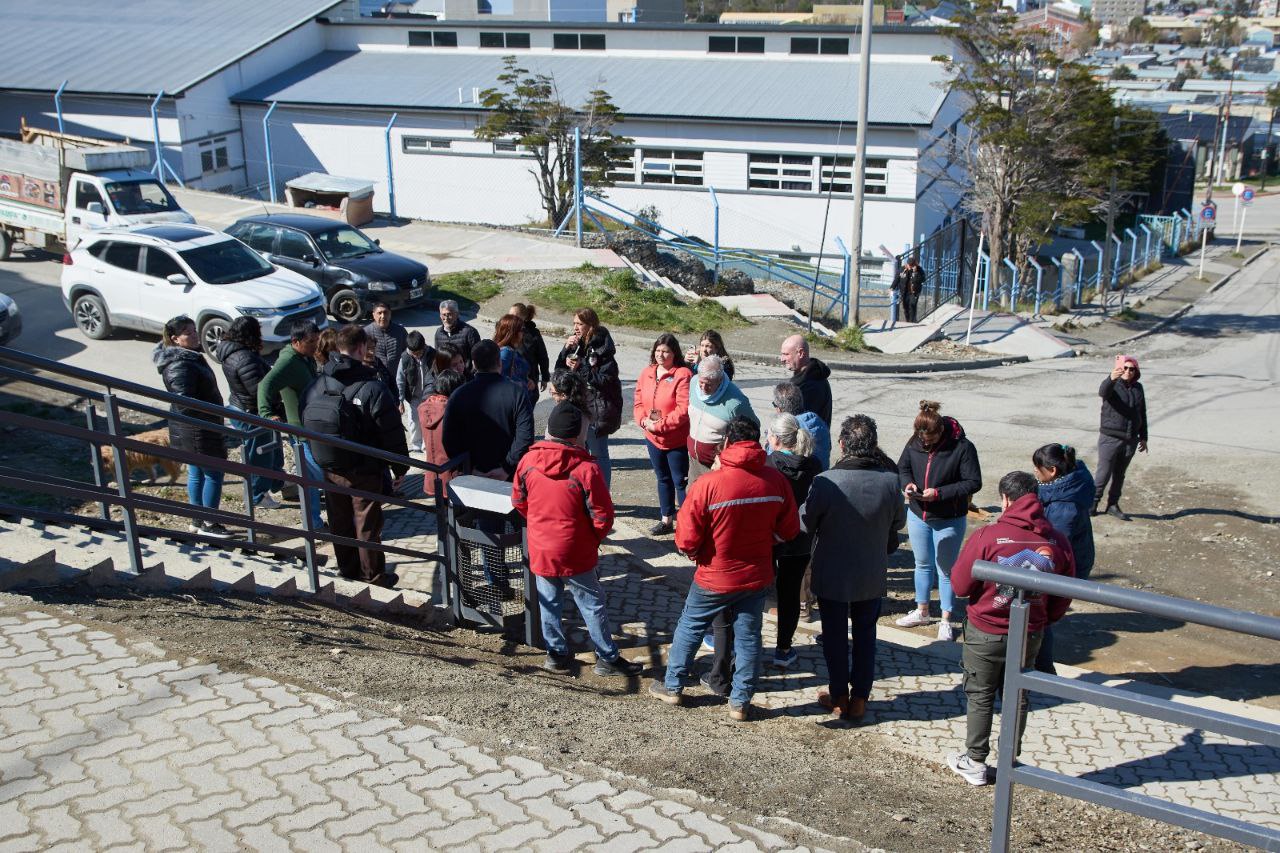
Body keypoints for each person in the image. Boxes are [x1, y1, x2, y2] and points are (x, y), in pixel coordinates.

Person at [649, 416, 800, 722]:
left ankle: (673, 685)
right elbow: (790, 529)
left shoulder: (708, 484)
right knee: (749, 635)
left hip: (714, 575)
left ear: (727, 442)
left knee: (690, 626)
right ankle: (740, 702)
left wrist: (699, 554)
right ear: (758, 441)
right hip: (756, 574)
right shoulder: (776, 481)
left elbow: (686, 539)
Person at [947, 471, 1075, 787]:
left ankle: (975, 760)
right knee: (1016, 696)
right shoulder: (1057, 541)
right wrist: (1045, 619)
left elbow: (960, 585)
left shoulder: (988, 537)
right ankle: (1009, 761)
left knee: (980, 694)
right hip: (1029, 632)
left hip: (985, 629)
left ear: (1005, 499)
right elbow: (1065, 591)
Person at [513, 401, 645, 678]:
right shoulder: (587, 469)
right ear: (577, 436)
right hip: (575, 550)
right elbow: (603, 516)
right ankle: (607, 657)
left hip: (541, 547)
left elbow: (519, 501)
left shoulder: (527, 462)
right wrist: (592, 539)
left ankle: (556, 654)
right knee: (592, 603)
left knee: (549, 602)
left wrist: (538, 524)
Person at [800, 415, 905, 720]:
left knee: (834, 636)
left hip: (832, 570)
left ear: (843, 444)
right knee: (865, 635)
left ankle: (839, 696)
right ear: (874, 445)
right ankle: (860, 698)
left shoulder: (826, 480)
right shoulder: (890, 482)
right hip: (870, 570)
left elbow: (806, 522)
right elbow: (898, 522)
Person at [300, 324, 408, 587]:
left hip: (330, 467)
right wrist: (400, 467)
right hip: (364, 470)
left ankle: (347, 570)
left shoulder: (317, 383)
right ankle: (372, 576)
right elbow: (391, 432)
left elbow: (304, 417)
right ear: (361, 348)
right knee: (367, 524)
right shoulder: (372, 388)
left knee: (339, 521)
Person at [896, 400, 982, 641]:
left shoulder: (963, 447)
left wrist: (939, 493)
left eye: (930, 440)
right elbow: (903, 468)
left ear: (941, 431)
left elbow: (973, 482)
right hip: (918, 514)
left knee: (946, 570)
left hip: (948, 518)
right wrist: (907, 485)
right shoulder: (915, 441)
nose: (925, 443)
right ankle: (922, 610)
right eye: (922, 439)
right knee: (922, 564)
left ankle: (946, 619)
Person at [153, 315, 231, 538]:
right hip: (198, 429)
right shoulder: (180, 364)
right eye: (188, 333)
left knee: (197, 473)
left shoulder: (186, 358)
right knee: (213, 473)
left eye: (195, 331)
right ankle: (209, 523)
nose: (195, 336)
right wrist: (213, 415)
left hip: (191, 428)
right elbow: (185, 403)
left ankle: (197, 520)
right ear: (175, 339)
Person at [764, 413, 822, 671]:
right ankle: (784, 649)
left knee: (755, 592)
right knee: (790, 594)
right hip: (800, 538)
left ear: (776, 439)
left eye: (769, 434)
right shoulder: (815, 465)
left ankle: (746, 645)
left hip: (769, 537)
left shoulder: (767, 465)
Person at [1032, 442, 1096, 675]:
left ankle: (1043, 670)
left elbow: (1054, 549)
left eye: (1037, 468)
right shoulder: (1070, 485)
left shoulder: (1064, 507)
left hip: (1062, 567)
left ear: (1052, 471)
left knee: (1041, 617)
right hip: (1076, 557)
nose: (1034, 472)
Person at [258, 321, 324, 531]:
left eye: (317, 340)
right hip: (301, 433)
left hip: (312, 428)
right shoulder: (288, 361)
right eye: (311, 342)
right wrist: (267, 413)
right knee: (316, 479)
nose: (315, 345)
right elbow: (265, 385)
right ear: (296, 342)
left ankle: (314, 523)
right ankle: (312, 524)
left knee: (314, 480)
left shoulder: (304, 357)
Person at [217, 317, 285, 509]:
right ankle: (258, 496)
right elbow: (258, 390)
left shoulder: (232, 352)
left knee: (271, 450)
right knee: (260, 456)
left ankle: (277, 483)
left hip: (241, 406)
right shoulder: (245, 358)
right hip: (252, 413)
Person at [442, 340, 534, 480]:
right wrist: (506, 468)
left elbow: (449, 439)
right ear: (500, 362)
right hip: (509, 477)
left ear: (474, 364)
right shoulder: (517, 393)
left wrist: (467, 468)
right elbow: (525, 436)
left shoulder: (458, 395)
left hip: (472, 475)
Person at [555, 308, 623, 487]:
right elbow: (559, 372)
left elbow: (606, 380)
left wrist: (581, 367)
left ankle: (603, 494)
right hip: (576, 405)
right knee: (576, 452)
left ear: (590, 325)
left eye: (580, 324)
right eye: (574, 323)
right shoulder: (576, 345)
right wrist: (565, 352)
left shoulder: (602, 348)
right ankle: (581, 491)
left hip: (596, 408)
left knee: (599, 454)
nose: (575, 327)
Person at [633, 333, 693, 535]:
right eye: (658, 350)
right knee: (662, 478)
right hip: (652, 437)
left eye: (665, 351)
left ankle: (687, 526)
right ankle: (666, 519)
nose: (661, 354)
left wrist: (660, 425)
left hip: (675, 439)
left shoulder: (683, 374)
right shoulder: (647, 372)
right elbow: (638, 401)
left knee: (680, 482)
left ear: (674, 353)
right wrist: (643, 421)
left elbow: (683, 409)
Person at [686, 355, 756, 482]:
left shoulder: (736, 402)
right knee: (691, 492)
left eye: (709, 384)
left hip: (717, 466)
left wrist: (728, 456)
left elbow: (753, 429)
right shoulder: (694, 382)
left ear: (720, 380)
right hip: (694, 460)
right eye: (701, 382)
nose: (703, 388)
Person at [1095, 354, 1148, 521]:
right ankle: (1092, 504)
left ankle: (1112, 505)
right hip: (1110, 437)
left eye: (1132, 369)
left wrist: (1143, 437)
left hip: (1130, 439)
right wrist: (1111, 378)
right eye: (1125, 368)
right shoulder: (1113, 385)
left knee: (1119, 475)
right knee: (1103, 473)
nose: (1128, 371)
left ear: (1136, 371)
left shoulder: (1138, 388)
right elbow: (1103, 391)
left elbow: (1142, 412)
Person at [418, 369, 464, 499]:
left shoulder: (424, 408)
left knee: (440, 508)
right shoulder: (453, 411)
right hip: (452, 475)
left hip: (432, 474)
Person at [767, 382, 831, 471]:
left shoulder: (785, 430)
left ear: (779, 409)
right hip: (822, 473)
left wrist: (769, 443)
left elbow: (772, 460)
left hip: (801, 477)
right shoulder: (817, 420)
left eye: (775, 405)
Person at [780, 334, 832, 426]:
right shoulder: (816, 375)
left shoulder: (808, 385)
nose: (782, 359)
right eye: (782, 354)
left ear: (800, 353)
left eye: (786, 354)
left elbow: (793, 424)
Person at [396, 331, 433, 454]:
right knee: (414, 421)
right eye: (414, 353)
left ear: (424, 347)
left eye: (419, 353)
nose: (417, 356)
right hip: (413, 396)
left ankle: (426, 445)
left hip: (430, 396)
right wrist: (400, 400)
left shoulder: (432, 355)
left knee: (428, 420)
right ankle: (416, 445)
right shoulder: (405, 358)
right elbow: (400, 380)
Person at [510, 303, 550, 405]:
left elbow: (542, 356)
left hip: (529, 381)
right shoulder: (505, 330)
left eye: (514, 316)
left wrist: (545, 378)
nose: (510, 319)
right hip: (510, 381)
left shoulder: (533, 334)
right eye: (509, 315)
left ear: (523, 318)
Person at [364, 303, 408, 381]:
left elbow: (407, 353)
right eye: (379, 313)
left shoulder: (400, 331)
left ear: (390, 314)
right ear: (373, 315)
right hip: (374, 378)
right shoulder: (366, 332)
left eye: (385, 312)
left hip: (397, 377)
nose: (383, 316)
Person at [435, 299, 481, 365]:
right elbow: (438, 357)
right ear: (440, 315)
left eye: (449, 314)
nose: (446, 319)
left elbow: (478, 358)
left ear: (457, 314)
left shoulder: (470, 332)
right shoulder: (439, 333)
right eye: (443, 315)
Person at [494, 314, 531, 392]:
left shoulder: (511, 350)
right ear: (513, 333)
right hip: (511, 397)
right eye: (522, 329)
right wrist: (517, 384)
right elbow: (493, 377)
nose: (523, 333)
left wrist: (527, 380)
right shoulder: (506, 352)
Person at [896, 257, 925, 323]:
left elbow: (923, 279)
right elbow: (897, 278)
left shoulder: (919, 270)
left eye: (911, 265)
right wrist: (892, 287)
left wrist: (915, 273)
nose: (909, 266)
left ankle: (912, 321)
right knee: (905, 307)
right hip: (905, 292)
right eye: (909, 265)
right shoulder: (903, 269)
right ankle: (908, 320)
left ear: (914, 265)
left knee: (912, 306)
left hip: (914, 292)